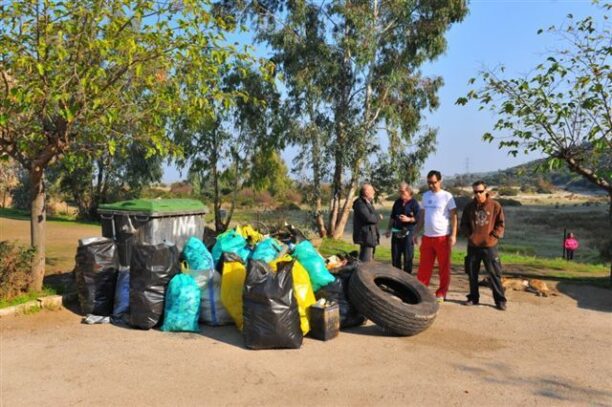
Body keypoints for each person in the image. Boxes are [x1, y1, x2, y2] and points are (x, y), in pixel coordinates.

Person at [460, 180, 507, 310]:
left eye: (481, 191)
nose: (478, 194)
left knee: (494, 274)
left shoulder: (495, 206)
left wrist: (493, 237)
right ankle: (473, 298)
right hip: (473, 246)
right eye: (475, 192)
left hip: (489, 246)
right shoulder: (469, 207)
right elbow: (463, 224)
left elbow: (501, 224)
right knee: (472, 273)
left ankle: (500, 300)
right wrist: (470, 236)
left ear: (486, 191)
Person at [413, 170, 457, 302]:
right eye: (429, 183)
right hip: (427, 237)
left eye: (434, 182)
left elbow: (454, 217)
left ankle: (441, 293)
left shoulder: (447, 196)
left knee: (443, 267)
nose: (431, 185)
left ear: (440, 181)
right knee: (424, 268)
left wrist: (453, 235)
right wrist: (416, 232)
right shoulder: (425, 196)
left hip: (442, 237)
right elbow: (421, 216)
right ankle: (421, 292)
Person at [385, 182, 420, 273]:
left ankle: (406, 280)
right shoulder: (397, 202)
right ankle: (396, 278)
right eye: (399, 191)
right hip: (396, 231)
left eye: (402, 191)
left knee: (408, 256)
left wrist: (409, 219)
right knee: (395, 256)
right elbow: (392, 217)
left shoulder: (414, 203)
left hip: (408, 232)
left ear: (409, 191)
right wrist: (388, 229)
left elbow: (418, 218)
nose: (400, 193)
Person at [352, 183, 381, 262]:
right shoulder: (360, 204)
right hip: (365, 237)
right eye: (372, 191)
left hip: (370, 236)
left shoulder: (367, 203)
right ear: (366, 192)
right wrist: (378, 217)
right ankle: (362, 274)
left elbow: (371, 216)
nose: (374, 193)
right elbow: (368, 218)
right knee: (366, 261)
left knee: (369, 258)